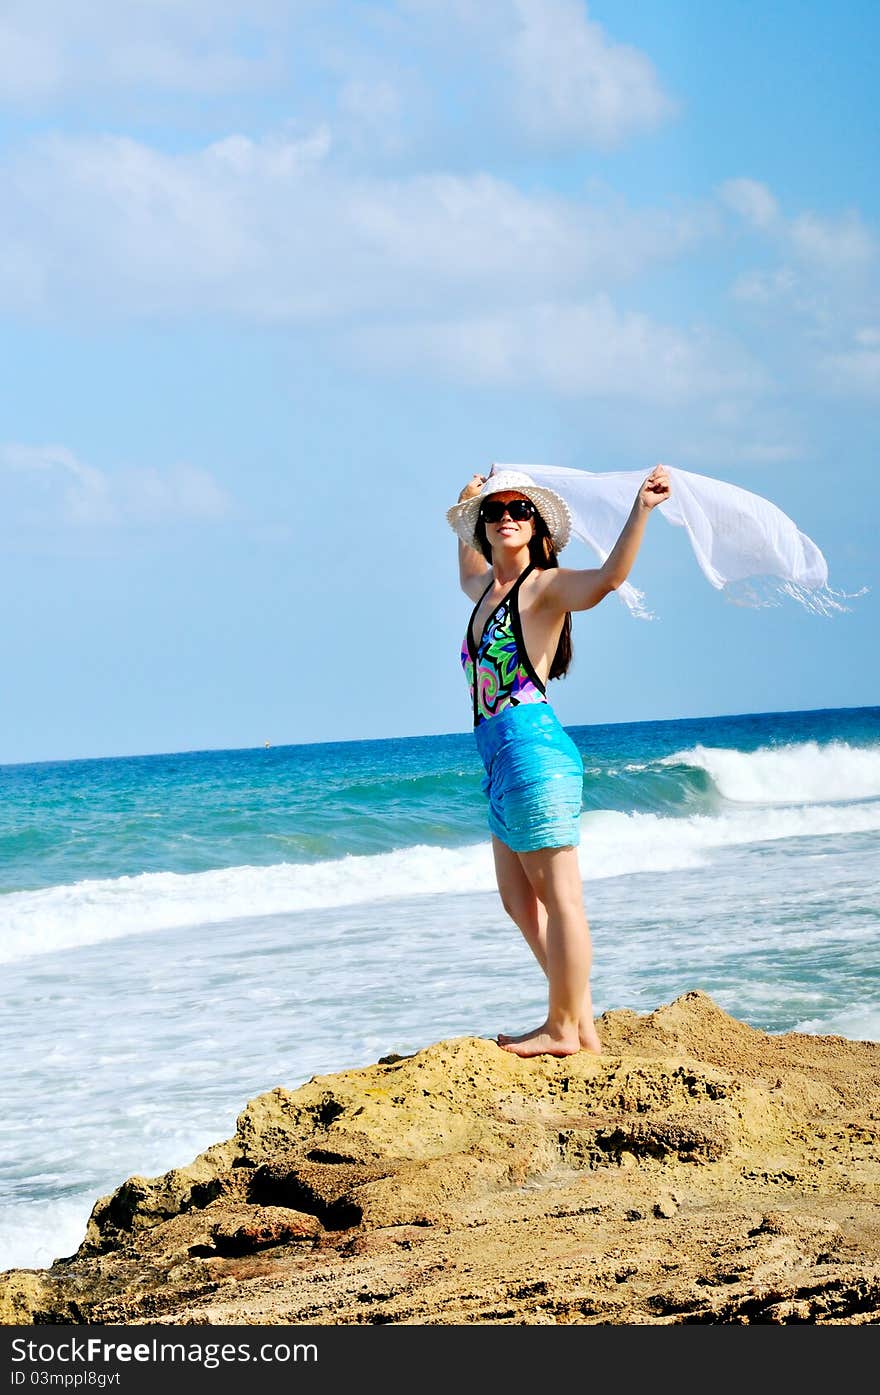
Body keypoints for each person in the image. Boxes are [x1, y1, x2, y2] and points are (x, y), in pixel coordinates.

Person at [446, 463, 672, 1058]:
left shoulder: (542, 589)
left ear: (537, 525)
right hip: (497, 758)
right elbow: (468, 565)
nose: (505, 518)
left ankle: (561, 1028)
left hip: (532, 750)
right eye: (495, 513)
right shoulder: (485, 591)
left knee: (559, 897)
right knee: (518, 901)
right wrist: (465, 502)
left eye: (519, 510)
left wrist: (641, 510)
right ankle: (579, 1018)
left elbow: (606, 581)